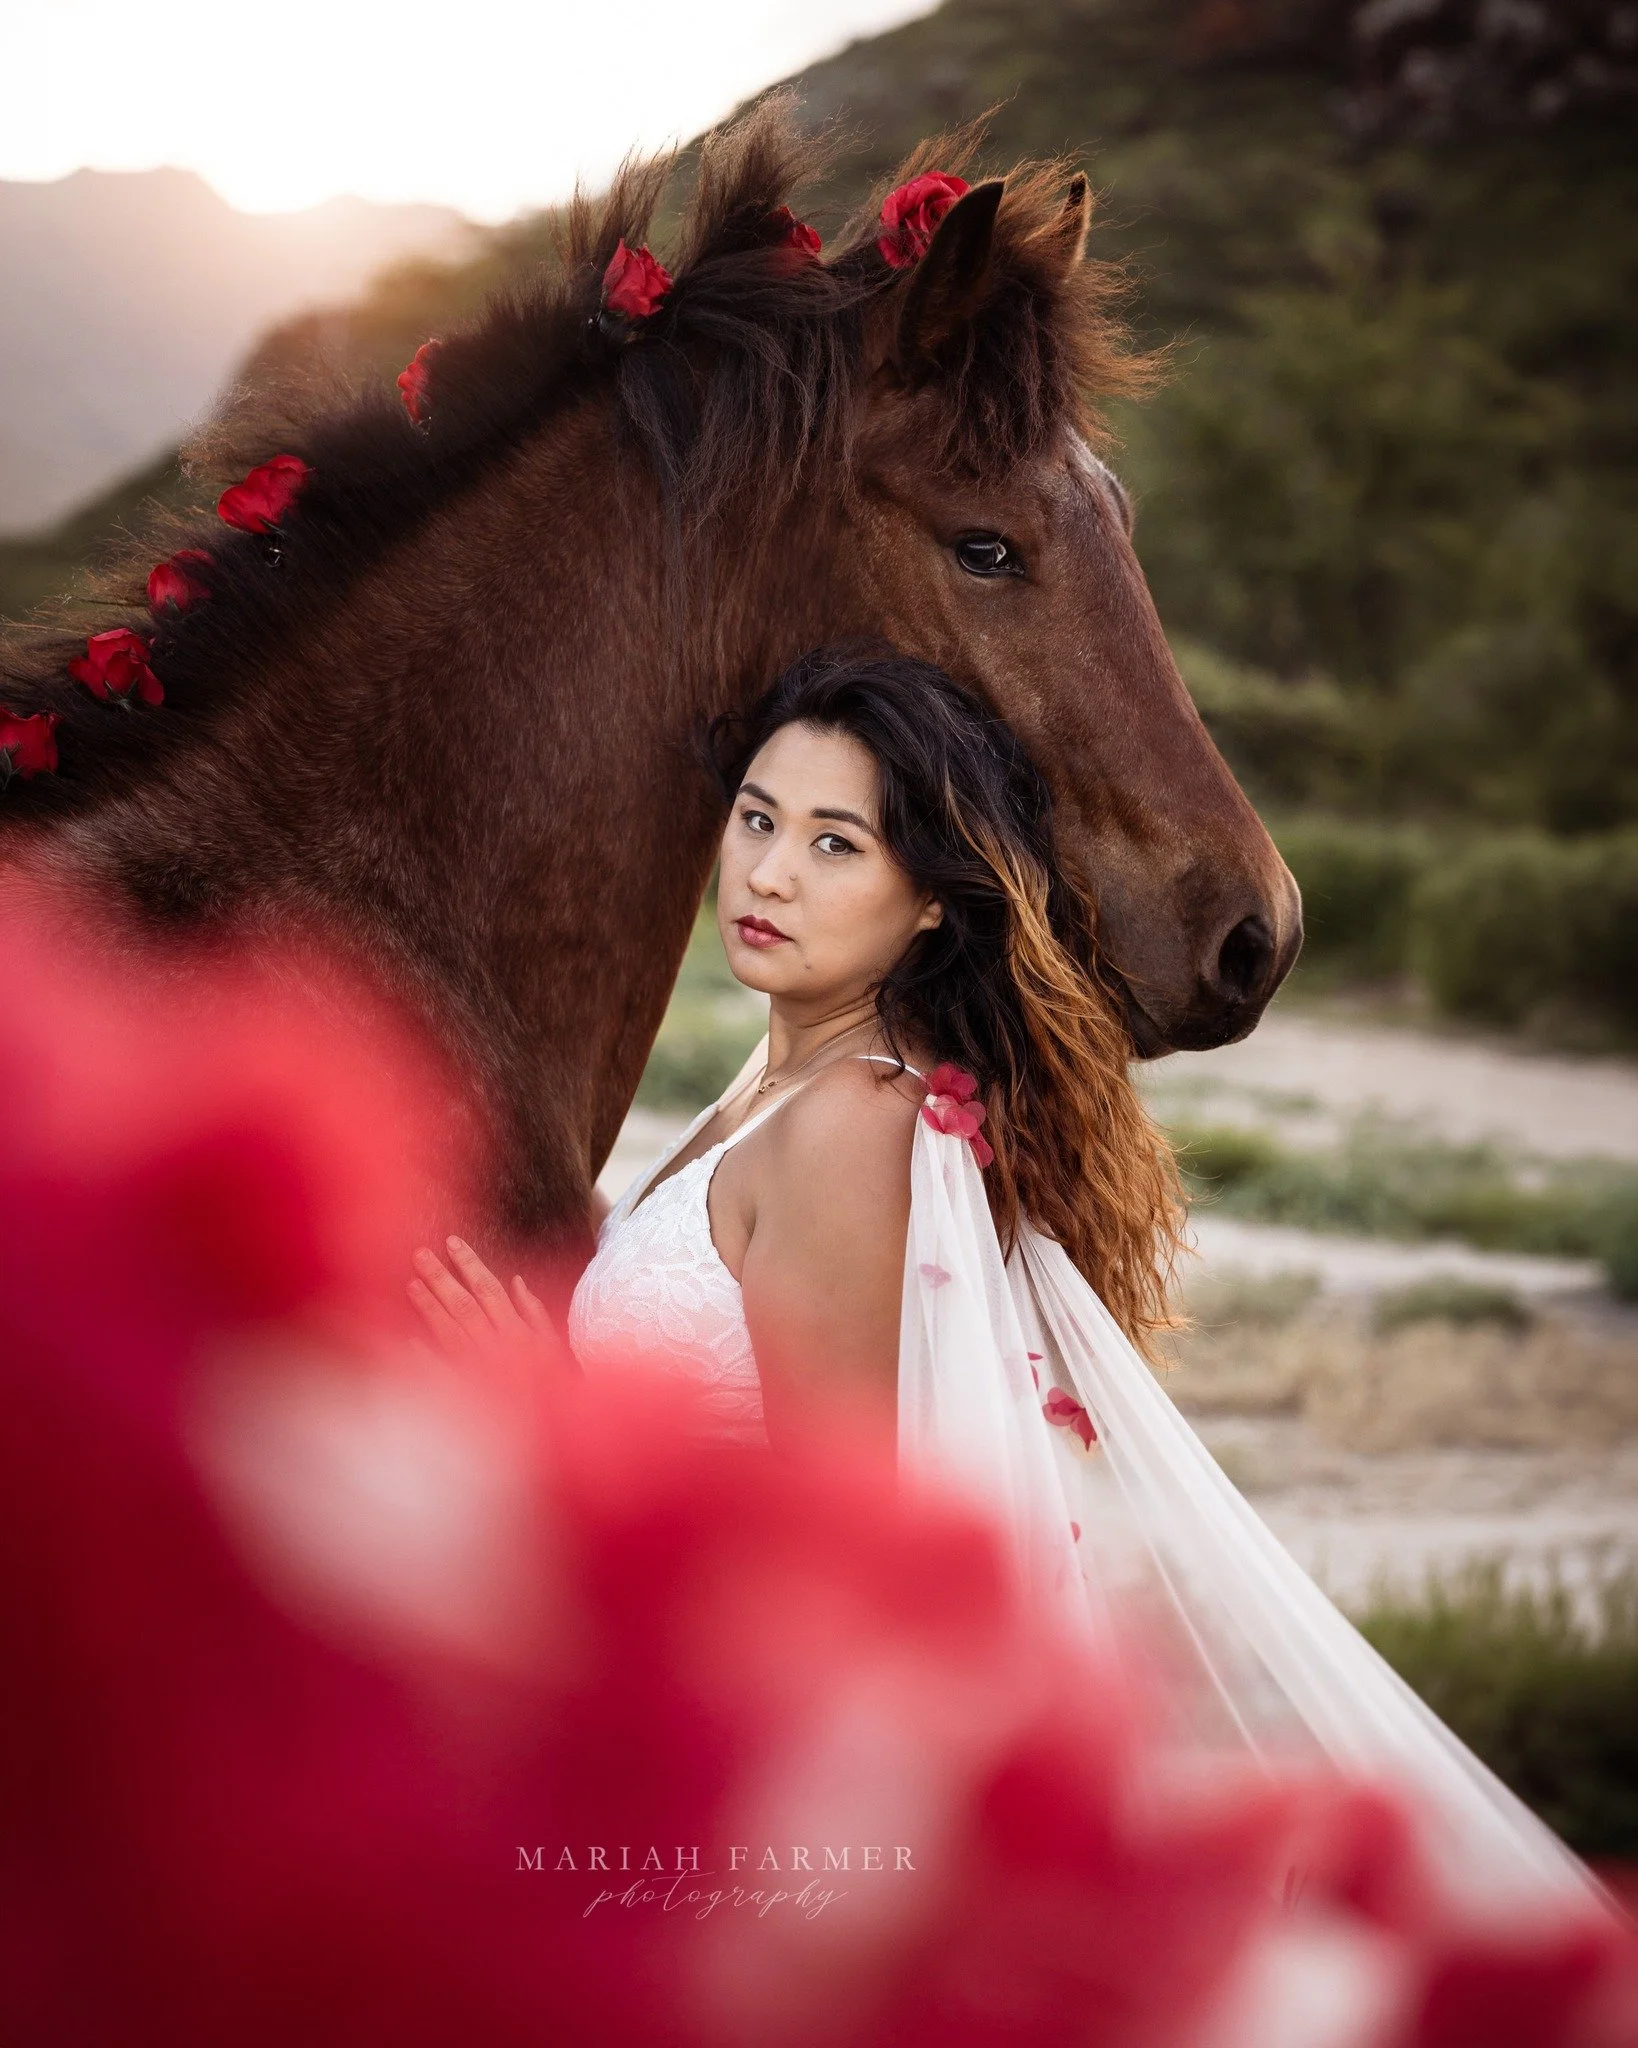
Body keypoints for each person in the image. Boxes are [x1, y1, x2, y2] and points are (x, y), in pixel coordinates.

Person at [410, 646, 1614, 1930]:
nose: (765, 871)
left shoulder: (846, 1124)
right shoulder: (774, 1086)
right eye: (757, 817)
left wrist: (537, 1400)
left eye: (836, 844)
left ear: (931, 899)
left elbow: (836, 1542)